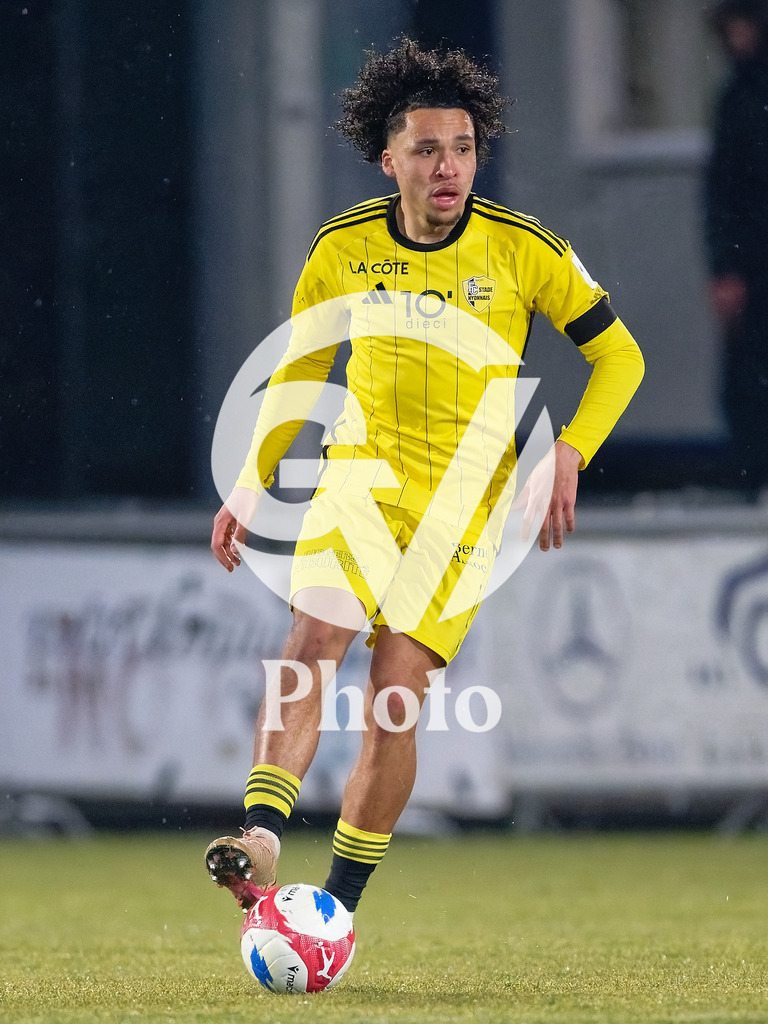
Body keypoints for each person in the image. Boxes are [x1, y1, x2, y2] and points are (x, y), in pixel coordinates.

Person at [204, 38, 644, 917]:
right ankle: (259, 832)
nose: (451, 168)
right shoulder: (343, 248)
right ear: (388, 157)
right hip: (358, 485)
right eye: (429, 150)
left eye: (465, 148)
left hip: (462, 513)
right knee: (313, 641)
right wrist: (253, 481)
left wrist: (570, 451)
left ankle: (334, 906)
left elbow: (619, 357)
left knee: (394, 697)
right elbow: (299, 372)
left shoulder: (526, 251)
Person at [704, 0, 768, 493]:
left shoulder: (743, 97)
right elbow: (723, 191)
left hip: (750, 259)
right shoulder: (737, 96)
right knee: (747, 374)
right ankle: (753, 475)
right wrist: (726, 266)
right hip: (752, 263)